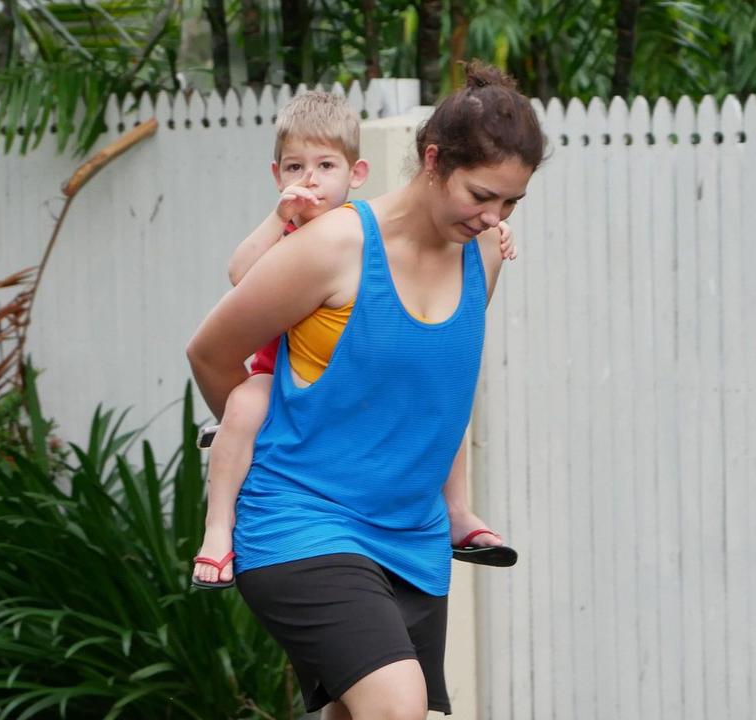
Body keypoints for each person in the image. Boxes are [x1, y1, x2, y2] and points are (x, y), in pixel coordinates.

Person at [187, 61, 544, 717]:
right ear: (433, 160)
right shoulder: (336, 245)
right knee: (395, 703)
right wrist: (269, 441)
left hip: (411, 536)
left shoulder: (485, 252)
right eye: (481, 194)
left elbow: (428, 390)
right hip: (302, 520)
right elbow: (210, 353)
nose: (494, 216)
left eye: (510, 203)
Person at [192, 90, 518, 590]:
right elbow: (240, 274)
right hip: (276, 373)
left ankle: (458, 509)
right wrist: (279, 219)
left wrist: (496, 233)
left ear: (356, 174)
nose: (310, 179)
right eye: (295, 167)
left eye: (325, 166)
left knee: (442, 397)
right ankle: (218, 531)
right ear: (276, 174)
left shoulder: (370, 235)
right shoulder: (297, 231)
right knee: (243, 406)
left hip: (362, 423)